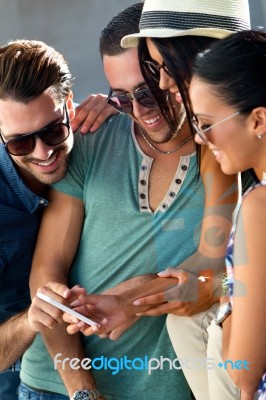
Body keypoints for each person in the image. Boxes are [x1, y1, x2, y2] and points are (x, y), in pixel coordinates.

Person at [23, 2, 245, 400]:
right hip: (57, 388)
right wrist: (83, 392)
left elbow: (212, 266)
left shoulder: (222, 151)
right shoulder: (92, 138)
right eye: (121, 97)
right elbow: (47, 274)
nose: (141, 111)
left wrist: (129, 301)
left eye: (147, 90)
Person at [0, 38, 114, 399]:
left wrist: (121, 106)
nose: (44, 152)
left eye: (52, 130)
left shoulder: (94, 128)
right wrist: (29, 321)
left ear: (68, 104)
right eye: (20, 143)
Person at [189, 29, 266, 400]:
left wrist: (225, 300)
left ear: (258, 120)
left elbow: (243, 372)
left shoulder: (259, 206)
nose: (202, 139)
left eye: (207, 124)